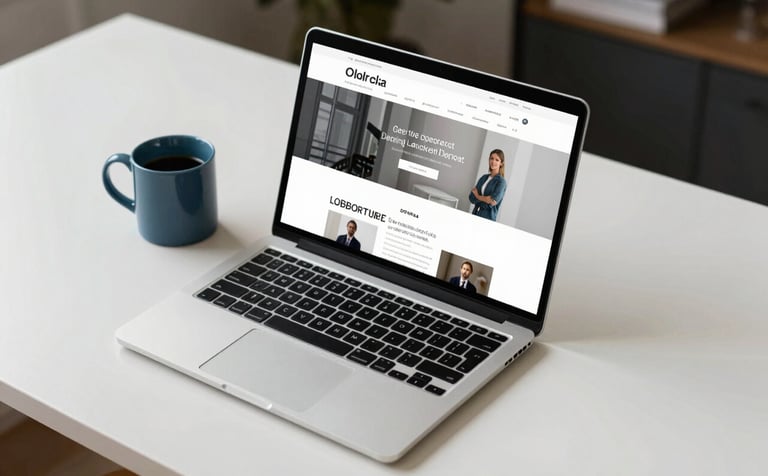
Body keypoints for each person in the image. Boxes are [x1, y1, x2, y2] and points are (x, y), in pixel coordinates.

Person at [469, 149, 507, 221]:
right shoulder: (483, 178)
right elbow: (471, 197)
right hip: (475, 213)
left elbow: (492, 201)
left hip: (488, 217)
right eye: (491, 158)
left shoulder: (501, 182)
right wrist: (485, 200)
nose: (493, 162)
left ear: (501, 163)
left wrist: (478, 196)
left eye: (497, 160)